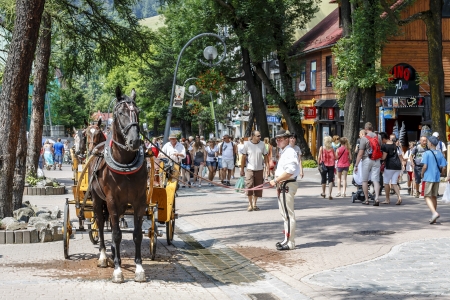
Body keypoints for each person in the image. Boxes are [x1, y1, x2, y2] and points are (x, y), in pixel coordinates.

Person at [269, 129, 300, 251]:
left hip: (287, 184)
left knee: (288, 214)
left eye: (280, 139)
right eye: (277, 139)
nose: (278, 141)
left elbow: (290, 171)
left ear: (287, 139)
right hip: (284, 184)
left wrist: (276, 180)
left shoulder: (290, 152)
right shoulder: (285, 151)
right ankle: (287, 239)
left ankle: (290, 242)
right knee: (285, 214)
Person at [354, 122, 382, 206]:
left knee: (364, 180)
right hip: (377, 160)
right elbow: (380, 147)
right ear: (372, 128)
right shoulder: (379, 137)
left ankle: (366, 199)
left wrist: (356, 165)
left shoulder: (364, 139)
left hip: (366, 160)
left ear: (365, 129)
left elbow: (360, 153)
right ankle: (376, 198)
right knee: (375, 179)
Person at [240, 131, 269, 211]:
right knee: (249, 186)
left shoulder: (262, 144)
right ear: (252, 136)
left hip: (260, 169)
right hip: (250, 169)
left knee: (258, 187)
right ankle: (250, 204)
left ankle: (254, 204)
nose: (260, 137)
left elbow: (266, 156)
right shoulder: (247, 144)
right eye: (258, 136)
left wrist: (267, 168)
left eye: (260, 136)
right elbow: (243, 158)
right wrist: (242, 169)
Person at [421, 136, 447, 224]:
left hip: (428, 177)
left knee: (426, 196)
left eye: (428, 142)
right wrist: (441, 173)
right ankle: (434, 217)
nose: (427, 143)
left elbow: (425, 166)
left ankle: (434, 213)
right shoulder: (440, 154)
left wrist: (422, 173)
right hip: (436, 178)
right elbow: (444, 167)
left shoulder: (427, 153)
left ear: (431, 143)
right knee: (434, 197)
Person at [380, 132, 403, 205]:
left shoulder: (385, 146)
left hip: (390, 166)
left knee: (386, 182)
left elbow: (383, 157)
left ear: (383, 139)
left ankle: (387, 199)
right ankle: (399, 197)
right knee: (394, 183)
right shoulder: (395, 144)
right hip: (398, 165)